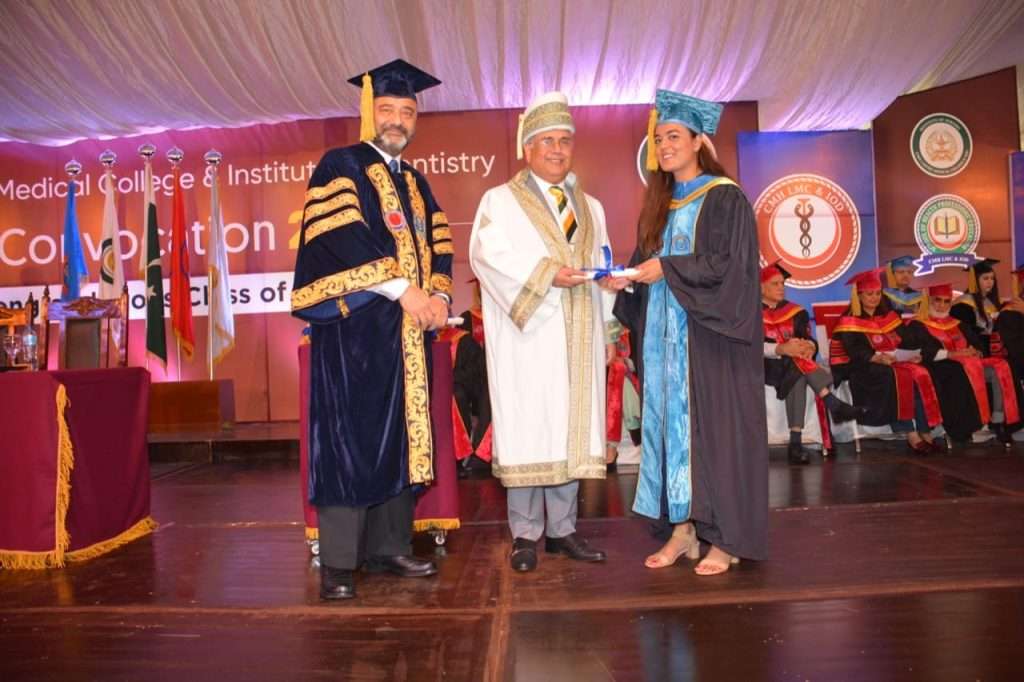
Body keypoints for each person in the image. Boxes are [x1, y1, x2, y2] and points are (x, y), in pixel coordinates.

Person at [291, 59, 453, 601]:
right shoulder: (341, 165)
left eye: (407, 111)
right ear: (368, 111)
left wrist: (439, 296)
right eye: (387, 109)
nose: (397, 120)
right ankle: (340, 563)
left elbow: (440, 244)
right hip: (354, 332)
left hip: (409, 335)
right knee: (349, 439)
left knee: (401, 436)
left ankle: (390, 546)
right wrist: (403, 290)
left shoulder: (415, 181)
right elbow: (339, 237)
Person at [607, 90, 767, 576]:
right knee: (671, 435)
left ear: (699, 142)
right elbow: (646, 265)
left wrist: (667, 269)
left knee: (713, 437)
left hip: (710, 343)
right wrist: (626, 280)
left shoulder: (724, 197)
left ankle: (725, 538)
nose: (664, 146)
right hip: (664, 350)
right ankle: (683, 530)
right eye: (659, 139)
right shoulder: (660, 205)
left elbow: (730, 267)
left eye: (674, 136)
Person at [469, 92, 614, 573]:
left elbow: (602, 260)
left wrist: (609, 308)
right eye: (546, 141)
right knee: (531, 427)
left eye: (564, 141)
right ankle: (525, 534)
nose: (556, 149)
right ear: (527, 148)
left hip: (580, 334)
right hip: (529, 335)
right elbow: (487, 256)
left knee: (571, 428)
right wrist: (548, 275)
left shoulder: (591, 206)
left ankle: (563, 530)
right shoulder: (500, 201)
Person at [760, 261, 862, 465]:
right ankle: (830, 401)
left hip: (794, 366)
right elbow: (751, 347)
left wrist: (810, 346)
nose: (781, 288)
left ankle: (795, 443)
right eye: (775, 284)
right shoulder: (750, 313)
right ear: (761, 287)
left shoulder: (795, 312)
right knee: (796, 365)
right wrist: (780, 349)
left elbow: (808, 339)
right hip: (766, 366)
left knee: (796, 372)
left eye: (782, 284)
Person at [831, 269, 943, 453]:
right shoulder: (849, 321)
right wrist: (876, 357)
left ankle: (925, 431)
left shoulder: (889, 316)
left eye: (877, 293)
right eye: (869, 294)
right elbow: (854, 350)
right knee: (895, 377)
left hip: (894, 362)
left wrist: (913, 354)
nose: (874, 298)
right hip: (864, 367)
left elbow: (906, 339)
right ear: (859, 295)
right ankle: (910, 433)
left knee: (921, 374)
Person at [909, 283, 1020, 446]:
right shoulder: (919, 324)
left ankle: (998, 420)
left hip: (968, 364)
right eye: (937, 300)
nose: (942, 305)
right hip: (940, 366)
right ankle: (968, 426)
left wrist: (975, 351)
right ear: (929, 301)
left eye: (947, 301)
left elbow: (977, 345)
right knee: (958, 371)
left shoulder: (957, 323)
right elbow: (925, 351)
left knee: (1000, 368)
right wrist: (953, 354)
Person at [951, 258, 1004, 357]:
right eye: (985, 278)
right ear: (975, 280)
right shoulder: (963, 304)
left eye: (992, 278)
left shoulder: (991, 302)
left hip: (993, 349)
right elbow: (964, 332)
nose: (990, 282)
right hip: (975, 350)